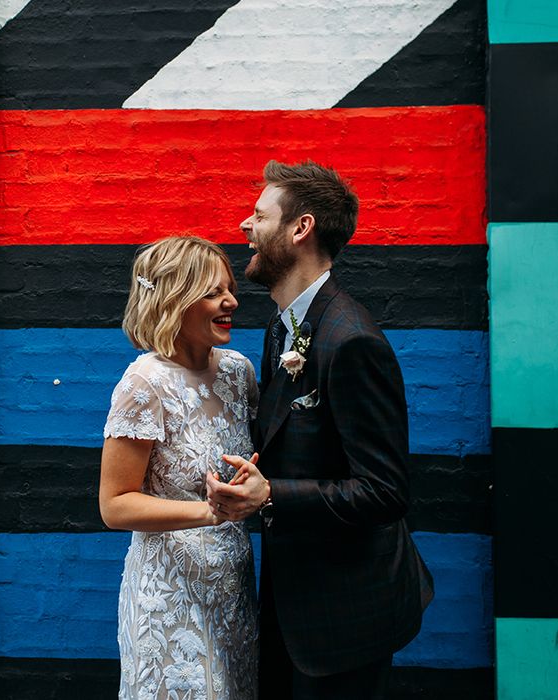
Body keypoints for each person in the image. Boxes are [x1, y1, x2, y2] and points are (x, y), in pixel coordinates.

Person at [206, 161, 434, 700]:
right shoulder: (279, 328)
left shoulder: (351, 340)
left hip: (348, 615)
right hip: (294, 602)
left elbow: (384, 491)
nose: (245, 226)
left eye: (260, 216)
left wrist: (270, 496)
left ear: (300, 229)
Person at [100, 236, 259, 700]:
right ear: (174, 300)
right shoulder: (144, 383)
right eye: (213, 292)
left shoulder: (238, 371)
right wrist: (211, 513)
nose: (231, 301)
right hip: (169, 596)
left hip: (232, 591)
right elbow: (115, 505)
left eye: (229, 288)